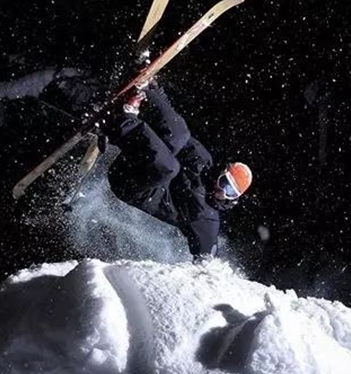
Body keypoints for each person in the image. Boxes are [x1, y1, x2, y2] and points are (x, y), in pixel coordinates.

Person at [102, 81, 252, 260]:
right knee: (180, 135)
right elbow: (176, 131)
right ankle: (149, 90)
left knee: (169, 168)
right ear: (222, 171)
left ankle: (119, 119)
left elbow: (207, 258)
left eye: (230, 192)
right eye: (225, 182)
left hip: (132, 186)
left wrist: (205, 273)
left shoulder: (207, 218)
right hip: (137, 162)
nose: (222, 190)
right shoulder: (202, 161)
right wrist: (158, 94)